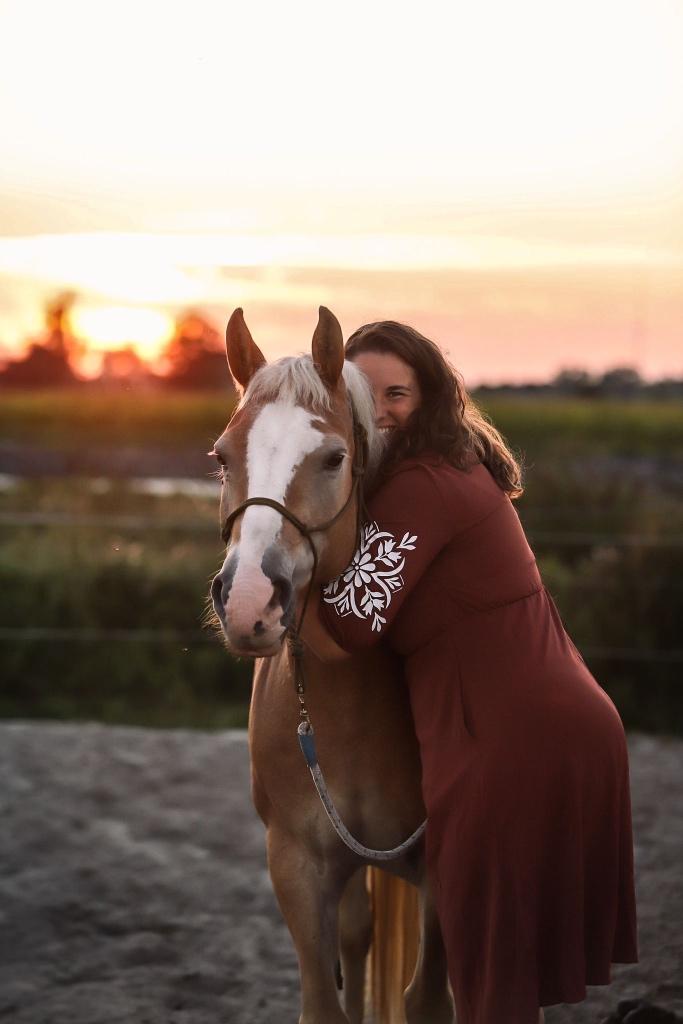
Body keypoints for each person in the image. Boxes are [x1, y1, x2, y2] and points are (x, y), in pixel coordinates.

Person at [301, 321, 638, 1024]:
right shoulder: (449, 467)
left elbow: (346, 631)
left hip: (509, 734)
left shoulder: (422, 485)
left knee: (486, 969)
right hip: (542, 719)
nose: (382, 407)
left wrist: (273, 581)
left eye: (399, 392)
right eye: (364, 392)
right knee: (497, 960)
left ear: (430, 399)